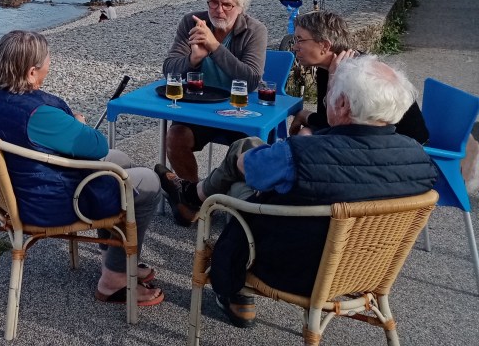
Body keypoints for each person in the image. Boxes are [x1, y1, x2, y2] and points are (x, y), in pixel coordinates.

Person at [156, 55, 436, 328]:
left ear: (342, 105)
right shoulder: (420, 160)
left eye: (330, 96)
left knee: (241, 176)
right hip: (367, 271)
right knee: (253, 163)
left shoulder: (304, 154)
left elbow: (249, 168)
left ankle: (225, 268)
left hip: (289, 269)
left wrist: (294, 147)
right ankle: (192, 196)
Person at [0, 30, 165, 305]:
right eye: (47, 60)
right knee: (149, 183)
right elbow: (97, 146)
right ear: (31, 73)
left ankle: (113, 259)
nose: (50, 64)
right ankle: (114, 279)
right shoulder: (38, 114)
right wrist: (77, 124)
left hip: (14, 191)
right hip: (47, 202)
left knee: (120, 159)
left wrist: (66, 128)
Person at [161, 0, 267, 193]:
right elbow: (169, 70)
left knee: (248, 150)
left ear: (240, 8)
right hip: (200, 106)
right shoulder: (191, 23)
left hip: (239, 109)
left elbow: (251, 80)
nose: (219, 10)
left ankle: (215, 194)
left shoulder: (255, 30)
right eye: (214, 2)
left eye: (227, 5)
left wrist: (214, 47)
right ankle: (191, 194)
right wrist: (193, 59)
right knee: (175, 137)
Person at [287, 10, 428, 143]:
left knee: (305, 137)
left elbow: (335, 127)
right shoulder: (328, 69)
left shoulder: (357, 75)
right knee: (305, 134)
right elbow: (328, 121)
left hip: (400, 144)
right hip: (367, 138)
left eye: (300, 40)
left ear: (325, 45)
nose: (295, 47)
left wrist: (304, 115)